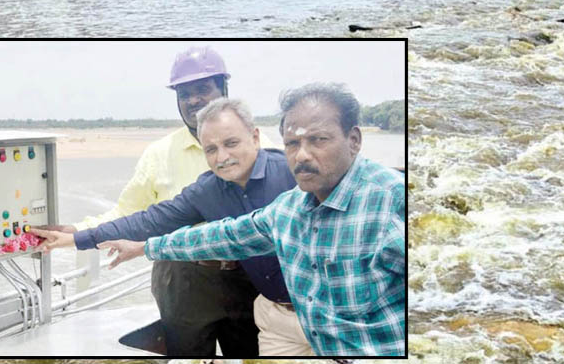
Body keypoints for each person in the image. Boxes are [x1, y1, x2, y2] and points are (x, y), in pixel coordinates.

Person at [94, 83, 406, 357]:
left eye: (319, 140)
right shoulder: (289, 207)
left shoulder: (392, 202)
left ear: (353, 140)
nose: (302, 156)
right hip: (282, 324)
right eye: (292, 144)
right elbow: (222, 236)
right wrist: (143, 248)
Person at [33, 98, 314, 356]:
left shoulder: (293, 174)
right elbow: (149, 221)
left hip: (323, 310)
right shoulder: (207, 190)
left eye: (231, 143)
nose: (222, 157)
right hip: (275, 316)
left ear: (255, 137)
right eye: (211, 149)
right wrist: (75, 238)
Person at [36, 46, 265, 357]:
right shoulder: (160, 154)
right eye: (184, 93)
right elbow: (131, 214)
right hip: (180, 279)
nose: (194, 99)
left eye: (202, 89)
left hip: (249, 275)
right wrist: (76, 232)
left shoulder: (263, 149)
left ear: (223, 89)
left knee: (254, 356)